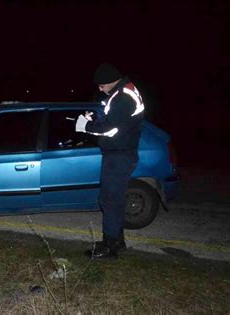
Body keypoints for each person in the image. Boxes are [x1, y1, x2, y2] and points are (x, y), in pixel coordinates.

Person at [75, 63, 145, 259]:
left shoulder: (123, 97)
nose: (100, 89)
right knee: (115, 199)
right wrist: (95, 117)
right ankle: (116, 241)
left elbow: (113, 129)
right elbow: (112, 118)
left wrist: (86, 126)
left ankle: (110, 247)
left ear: (109, 81)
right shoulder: (124, 92)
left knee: (110, 199)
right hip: (121, 153)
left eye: (101, 85)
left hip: (119, 155)